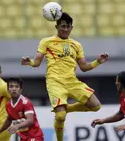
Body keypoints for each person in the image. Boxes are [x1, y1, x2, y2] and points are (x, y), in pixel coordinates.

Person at [21, 12, 108, 141]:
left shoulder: (76, 45)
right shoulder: (46, 42)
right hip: (55, 81)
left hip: (72, 81)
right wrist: (30, 62)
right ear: (56, 26)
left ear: (72, 28)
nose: (66, 29)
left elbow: (83, 67)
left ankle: (67, 109)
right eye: (63, 26)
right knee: (60, 116)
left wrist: (97, 62)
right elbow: (37, 62)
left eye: (68, 27)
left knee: (96, 106)